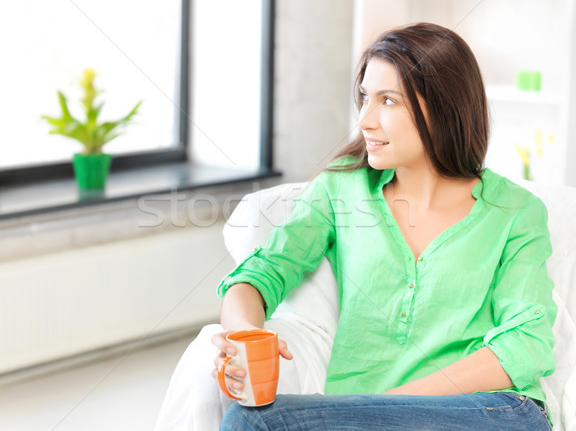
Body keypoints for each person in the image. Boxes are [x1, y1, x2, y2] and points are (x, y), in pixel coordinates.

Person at [213, 23, 557, 430]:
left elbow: (526, 342)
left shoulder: (515, 210)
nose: (365, 120)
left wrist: (380, 409)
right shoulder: (341, 188)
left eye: (388, 101)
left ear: (443, 106)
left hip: (490, 412)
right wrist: (243, 337)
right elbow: (261, 273)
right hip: (358, 415)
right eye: (364, 98)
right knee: (248, 419)